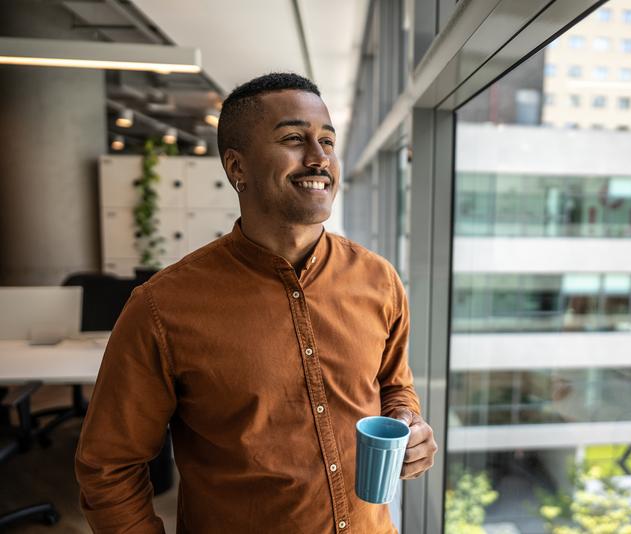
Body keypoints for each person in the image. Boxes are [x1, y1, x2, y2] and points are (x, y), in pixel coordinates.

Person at [75, 72, 437, 534]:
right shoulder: (162, 308)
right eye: (293, 138)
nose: (319, 157)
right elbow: (109, 465)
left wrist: (409, 423)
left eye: (327, 140)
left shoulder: (378, 279)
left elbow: (394, 386)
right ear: (237, 167)